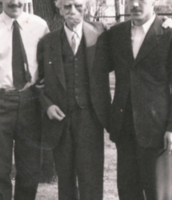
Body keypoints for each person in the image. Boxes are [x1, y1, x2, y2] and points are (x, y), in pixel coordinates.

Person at [95, 0, 172, 199]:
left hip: (157, 128)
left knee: (157, 191)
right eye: (130, 0)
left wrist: (171, 127)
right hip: (124, 127)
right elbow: (99, 67)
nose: (135, 4)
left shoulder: (168, 34)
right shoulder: (116, 33)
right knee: (128, 191)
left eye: (142, 0)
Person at [0, 0, 49, 199]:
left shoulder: (40, 26)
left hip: (30, 101)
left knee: (30, 168)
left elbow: (47, 63)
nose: (15, 2)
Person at [37, 0, 111, 199]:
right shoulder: (47, 41)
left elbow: (131, 33)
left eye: (78, 6)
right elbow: (39, 82)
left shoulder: (102, 34)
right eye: (67, 6)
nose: (73, 11)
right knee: (65, 179)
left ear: (85, 8)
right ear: (59, 9)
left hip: (91, 119)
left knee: (92, 178)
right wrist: (48, 105)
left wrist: (163, 21)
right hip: (60, 120)